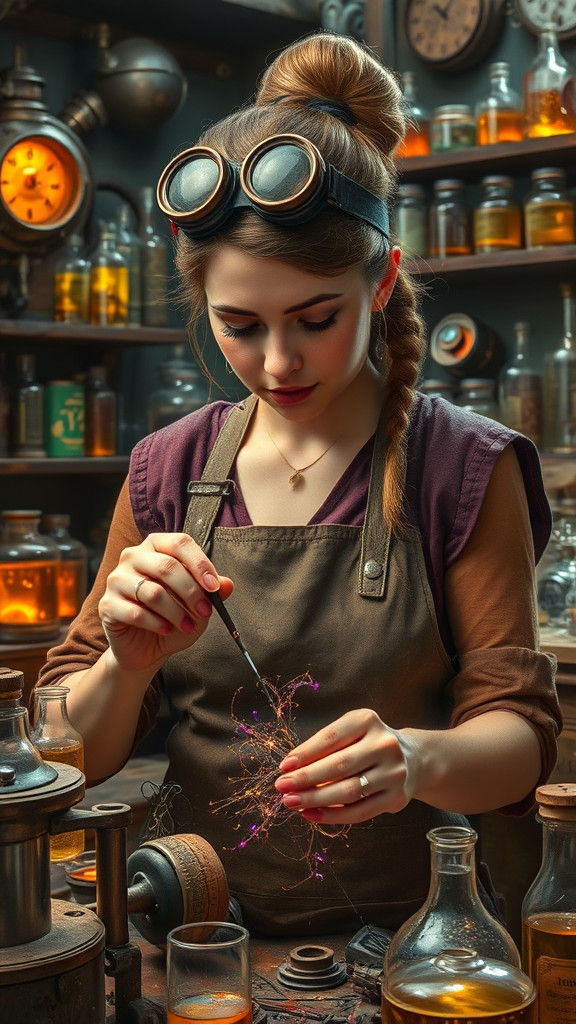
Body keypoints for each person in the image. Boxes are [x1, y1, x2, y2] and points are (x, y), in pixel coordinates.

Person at [37, 32, 561, 936]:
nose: (276, 362)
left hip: (416, 943)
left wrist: (418, 760)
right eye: (238, 325)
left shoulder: (463, 468)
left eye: (316, 319)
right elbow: (71, 754)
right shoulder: (168, 470)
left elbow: (520, 743)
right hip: (196, 936)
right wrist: (128, 660)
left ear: (383, 280)